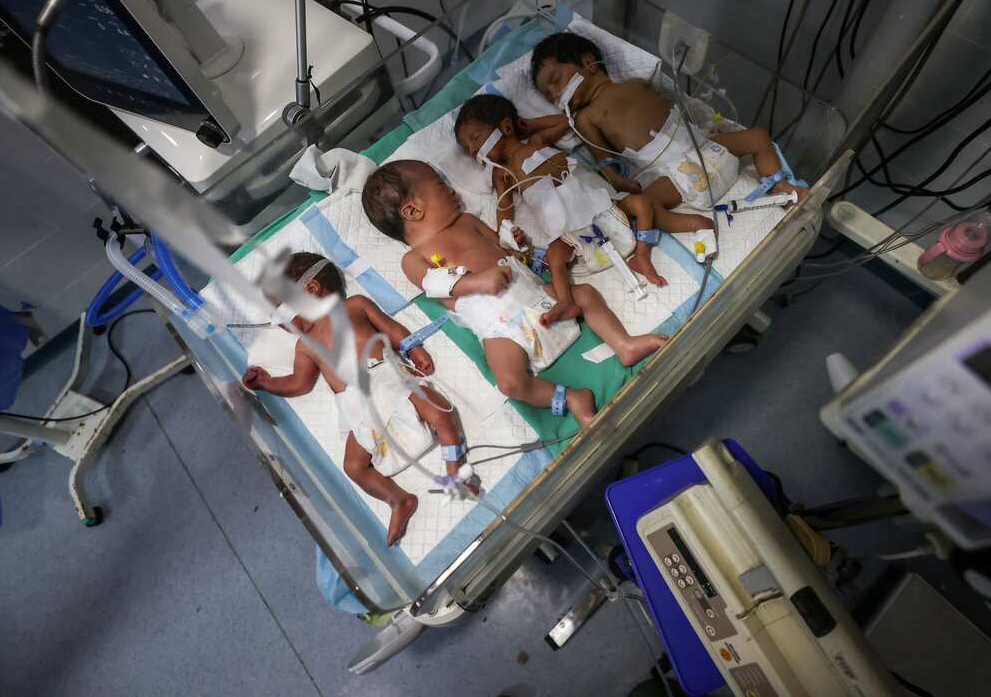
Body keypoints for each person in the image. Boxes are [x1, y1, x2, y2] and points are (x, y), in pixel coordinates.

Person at [361, 160, 667, 428]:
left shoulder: (468, 222)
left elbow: (507, 253)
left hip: (537, 298)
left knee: (584, 294)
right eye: (442, 185)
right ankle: (571, 397)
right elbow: (435, 284)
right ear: (413, 210)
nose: (453, 191)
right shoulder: (413, 259)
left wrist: (514, 243)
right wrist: (477, 282)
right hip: (499, 328)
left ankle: (623, 345)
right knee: (509, 382)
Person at [241, 252, 469, 547]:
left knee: (438, 413)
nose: (280, 323)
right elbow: (299, 383)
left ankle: (454, 466)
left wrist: (413, 348)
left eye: (281, 313)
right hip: (357, 407)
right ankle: (398, 499)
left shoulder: (355, 306)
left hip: (387, 377)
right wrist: (266, 383)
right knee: (353, 467)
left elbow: (391, 329)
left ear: (312, 291)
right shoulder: (305, 346)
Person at [530, 32, 806, 260]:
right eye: (548, 95)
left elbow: (677, 106)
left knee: (757, 136)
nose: (555, 95)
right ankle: (694, 224)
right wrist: (616, 179)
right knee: (639, 206)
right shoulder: (585, 118)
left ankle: (781, 186)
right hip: (672, 174)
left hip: (707, 148)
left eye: (556, 81)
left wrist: (706, 124)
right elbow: (603, 159)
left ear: (588, 62)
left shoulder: (637, 83)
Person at [452, 93, 671, 296]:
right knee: (555, 258)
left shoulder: (536, 142)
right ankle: (566, 300)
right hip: (566, 226)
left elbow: (565, 122)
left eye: (476, 138)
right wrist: (508, 233)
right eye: (467, 148)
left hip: (596, 205)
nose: (472, 149)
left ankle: (642, 254)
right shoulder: (503, 173)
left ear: (506, 127)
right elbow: (504, 209)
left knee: (641, 204)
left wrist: (530, 125)